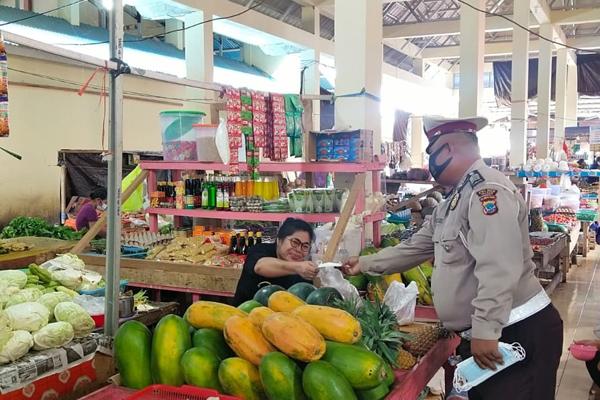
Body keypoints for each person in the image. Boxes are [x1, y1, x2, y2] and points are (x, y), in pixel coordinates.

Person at [343, 116, 563, 400]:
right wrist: (364, 264)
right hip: (494, 334)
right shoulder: (453, 203)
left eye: (432, 153)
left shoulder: (487, 192)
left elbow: (499, 265)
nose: (430, 162)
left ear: (449, 149)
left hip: (514, 332)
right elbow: (414, 248)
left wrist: (486, 328)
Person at [233, 218, 318, 305]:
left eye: (305, 246)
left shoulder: (303, 272)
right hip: (244, 315)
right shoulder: (259, 250)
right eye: (295, 242)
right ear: (279, 240)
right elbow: (260, 266)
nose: (299, 250)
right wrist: (297, 267)